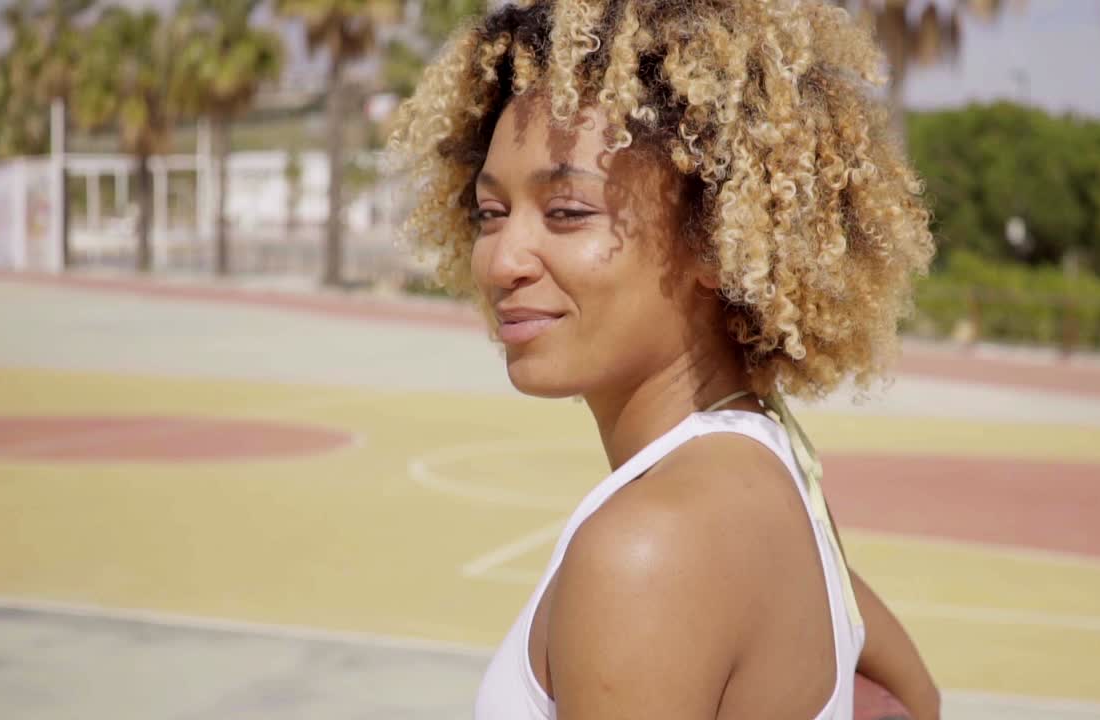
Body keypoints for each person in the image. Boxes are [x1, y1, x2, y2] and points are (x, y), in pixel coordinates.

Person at [390, 0, 939, 717]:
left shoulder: (651, 547)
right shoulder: (771, 468)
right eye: (491, 214)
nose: (504, 261)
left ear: (718, 238)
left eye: (567, 213)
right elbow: (913, 696)